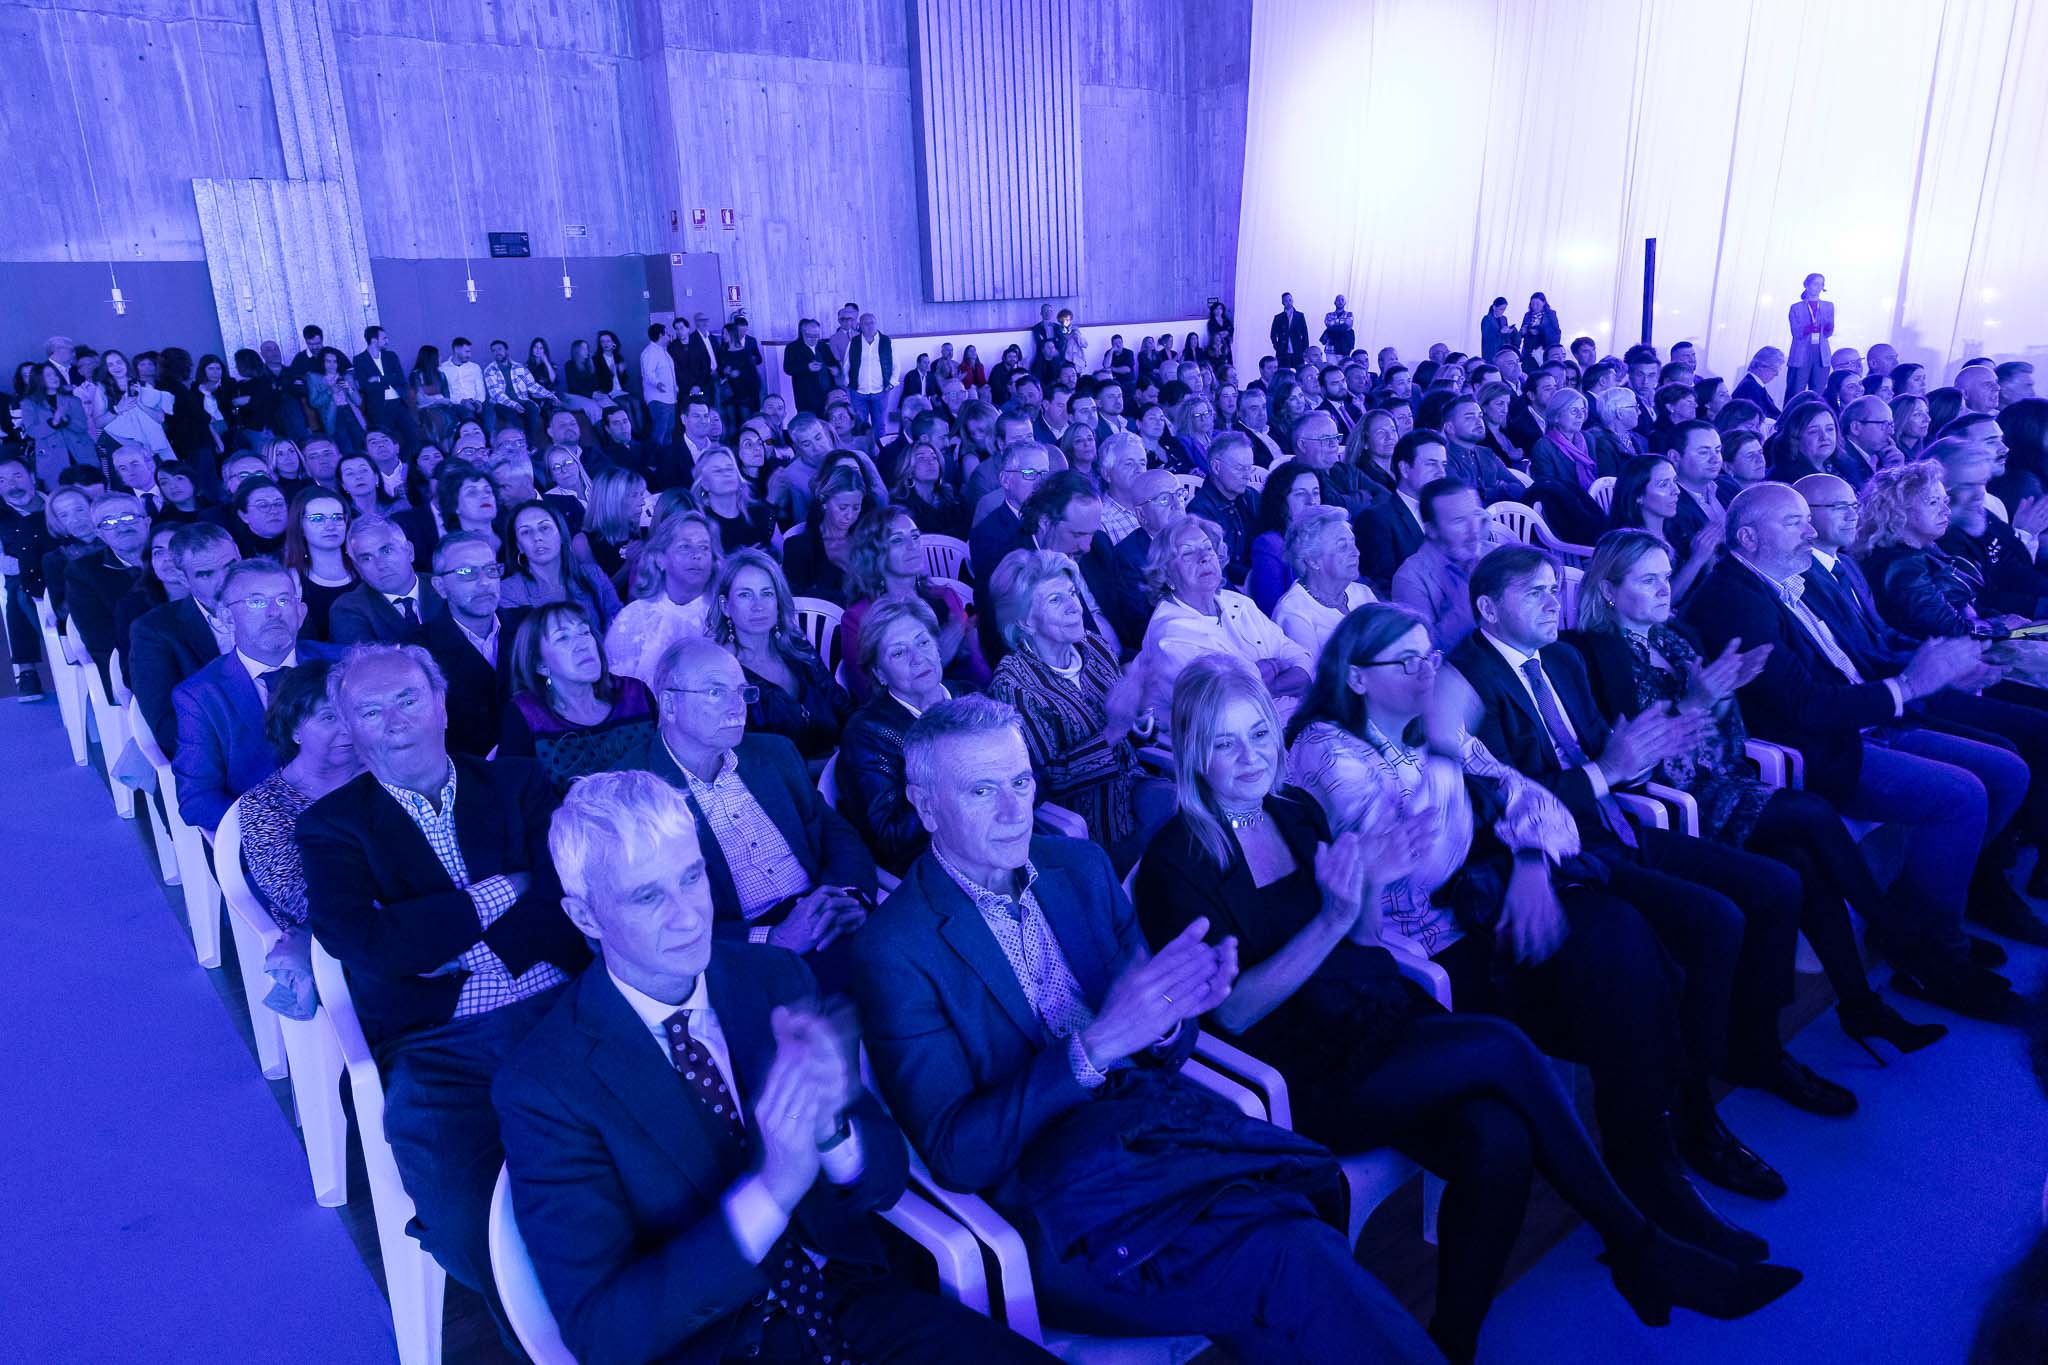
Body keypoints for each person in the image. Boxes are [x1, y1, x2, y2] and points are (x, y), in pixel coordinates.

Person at [1146, 654, 1798, 1362]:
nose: (1249, 758)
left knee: (1500, 1141)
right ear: (1191, 751)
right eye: (1224, 742)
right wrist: (1334, 918)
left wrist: (1372, 885)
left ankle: (1454, 1342)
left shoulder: (1295, 812)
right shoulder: (1174, 862)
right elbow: (1234, 1013)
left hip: (1375, 1016)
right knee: (1502, 1044)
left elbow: (1362, 941)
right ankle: (1640, 1246)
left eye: (1259, 735)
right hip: (1298, 1074)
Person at [848, 694, 1444, 1364]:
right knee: (1294, 1254)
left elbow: (1166, 1039)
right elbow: (957, 1150)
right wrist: (1096, 1045)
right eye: (983, 790)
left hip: (1158, 1137)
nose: (1016, 809)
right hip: (1058, 1205)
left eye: (1021, 781)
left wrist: (1170, 1017)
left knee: (1306, 1222)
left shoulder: (1079, 867)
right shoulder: (894, 949)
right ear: (927, 807)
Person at [490, 770, 1056, 1365]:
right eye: (648, 896)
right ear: (585, 918)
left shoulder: (773, 979)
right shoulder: (545, 1087)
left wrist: (833, 1132)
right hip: (719, 1346)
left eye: (692, 877)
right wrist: (769, 1191)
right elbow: (604, 1334)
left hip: (853, 1302)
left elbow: (885, 1179)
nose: (689, 917)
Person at [1286, 605, 1784, 1265]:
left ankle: (1657, 1160)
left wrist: (1526, 862)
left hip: (1497, 910)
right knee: (1630, 960)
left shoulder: (1428, 729)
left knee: (1637, 946)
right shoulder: (1326, 750)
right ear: (1354, 678)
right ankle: (1653, 1168)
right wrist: (1441, 751)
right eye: (1408, 662)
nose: (1430, 671)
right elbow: (1417, 868)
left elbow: (1545, 808)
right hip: (1430, 957)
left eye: (1431, 656)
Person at [1449, 546, 1820, 1198]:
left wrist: (1649, 746)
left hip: (1616, 826)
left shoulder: (1561, 659)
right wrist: (1610, 769)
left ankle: (1753, 1047)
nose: (1550, 600)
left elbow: (1611, 752)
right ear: (1486, 608)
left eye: (1549, 589)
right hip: (1558, 856)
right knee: (1714, 920)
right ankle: (1696, 1116)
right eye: (1532, 592)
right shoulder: (1469, 683)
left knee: (1776, 887)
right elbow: (1498, 807)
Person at [1569, 529, 1950, 1057]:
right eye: (1648, 580)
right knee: (1813, 813)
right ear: (1608, 591)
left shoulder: (1675, 637)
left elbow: (1726, 734)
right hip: (1672, 803)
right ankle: (1896, 934)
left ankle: (1860, 1007)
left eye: (1666, 575)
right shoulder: (1592, 656)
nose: (1664, 589)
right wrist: (1698, 699)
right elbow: (1639, 756)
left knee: (1805, 864)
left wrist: (1721, 698)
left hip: (1720, 782)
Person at [299, 642, 590, 1323]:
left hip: (565, 1010)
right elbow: (363, 942)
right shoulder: (331, 827)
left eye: (406, 699)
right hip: (438, 1043)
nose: (393, 720)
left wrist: (429, 933)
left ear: (440, 703)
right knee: (472, 1223)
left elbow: (563, 891)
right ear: (351, 728)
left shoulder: (518, 782)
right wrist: (499, 893)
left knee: (653, 1155)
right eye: (369, 710)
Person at [1684, 483, 2026, 1018]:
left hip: (1866, 719)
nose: (1813, 532)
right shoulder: (1733, 599)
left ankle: (1923, 923)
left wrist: (1941, 673)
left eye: (1808, 520)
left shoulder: (1791, 579)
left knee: (2007, 770)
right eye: (1795, 523)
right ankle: (1936, 961)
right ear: (1747, 538)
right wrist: (1910, 686)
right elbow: (1801, 707)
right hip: (1817, 748)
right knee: (1962, 797)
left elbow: (1857, 655)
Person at [623, 637, 877, 970]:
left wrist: (846, 894)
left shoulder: (775, 753)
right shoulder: (634, 794)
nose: (737, 706)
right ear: (669, 705)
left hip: (822, 909)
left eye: (742, 692)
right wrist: (772, 939)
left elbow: (832, 829)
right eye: (715, 692)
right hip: (737, 952)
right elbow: (646, 919)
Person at [985, 549, 1157, 861]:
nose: (1074, 607)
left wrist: (1141, 708)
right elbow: (1046, 781)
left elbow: (1136, 730)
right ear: (1025, 622)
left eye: (1072, 593)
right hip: (1086, 828)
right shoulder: (1014, 687)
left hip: (1138, 788)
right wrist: (1114, 730)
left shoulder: (1092, 644)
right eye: (1055, 600)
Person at [233, 658, 363, 1020]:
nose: (348, 730)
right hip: (338, 944)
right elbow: (302, 899)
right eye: (328, 718)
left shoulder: (383, 772)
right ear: (294, 729)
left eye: (352, 714)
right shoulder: (265, 807)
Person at [170, 557, 341, 832]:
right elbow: (197, 797)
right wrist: (272, 831)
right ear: (226, 617)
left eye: (284, 601)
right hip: (272, 838)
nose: (274, 612)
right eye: (256, 602)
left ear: (301, 612)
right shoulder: (200, 696)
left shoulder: (341, 664)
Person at [837, 595, 957, 876]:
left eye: (923, 642)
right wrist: (964, 790)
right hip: (935, 865)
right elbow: (891, 838)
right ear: (879, 673)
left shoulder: (968, 695)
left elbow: (1033, 774)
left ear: (937, 647)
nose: (918, 659)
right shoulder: (867, 734)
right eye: (899, 653)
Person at [1143, 514, 1312, 713]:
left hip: (1290, 718)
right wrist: (1278, 670)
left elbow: (1302, 659)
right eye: (1187, 553)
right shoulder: (1169, 636)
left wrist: (1268, 684)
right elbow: (1224, 704)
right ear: (1166, 574)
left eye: (1208, 548)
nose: (1204, 557)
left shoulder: (1238, 602)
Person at [709, 549, 851, 762]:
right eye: (745, 595)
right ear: (725, 606)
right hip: (778, 788)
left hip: (837, 772)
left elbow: (843, 709)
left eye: (767, 593)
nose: (758, 606)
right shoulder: (720, 674)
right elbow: (749, 762)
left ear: (778, 602)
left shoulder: (797, 648)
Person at [501, 600, 658, 789]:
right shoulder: (526, 715)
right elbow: (518, 795)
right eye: (562, 638)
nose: (583, 645)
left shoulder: (635, 694)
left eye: (584, 632)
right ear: (540, 665)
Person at [128, 522, 239, 754]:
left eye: (231, 566)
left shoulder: (278, 602)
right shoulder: (153, 631)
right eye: (206, 574)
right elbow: (166, 724)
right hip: (222, 751)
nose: (225, 581)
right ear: (183, 578)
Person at [605, 508, 720, 685]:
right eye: (684, 547)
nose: (697, 555)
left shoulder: (725, 613)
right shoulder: (633, 619)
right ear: (660, 559)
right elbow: (618, 691)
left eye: (704, 547)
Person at [1393, 478, 1491, 651]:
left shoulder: (1493, 555)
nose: (1473, 529)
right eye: (1459, 521)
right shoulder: (1410, 578)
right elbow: (1425, 654)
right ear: (1431, 530)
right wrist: (1466, 599)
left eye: (1475, 515)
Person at [66, 492, 152, 688]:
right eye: (109, 523)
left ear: (147, 521)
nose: (122, 527)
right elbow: (100, 637)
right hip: (135, 661)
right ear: (99, 533)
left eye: (129, 517)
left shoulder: (170, 555)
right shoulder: (83, 572)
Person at [496, 499, 622, 629]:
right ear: (519, 546)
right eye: (526, 532)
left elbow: (619, 625)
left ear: (561, 534)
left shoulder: (593, 575)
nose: (537, 537)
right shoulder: (508, 591)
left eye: (544, 528)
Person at [1274, 504, 1377, 658]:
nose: (1356, 552)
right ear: (1313, 560)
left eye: (1353, 543)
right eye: (1342, 547)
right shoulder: (1294, 613)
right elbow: (1312, 677)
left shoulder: (1362, 593)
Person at [1358, 431, 1451, 593]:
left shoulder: (1449, 512)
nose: (1441, 472)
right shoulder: (1376, 519)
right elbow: (1382, 586)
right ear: (1405, 469)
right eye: (1431, 464)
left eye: (1443, 465)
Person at [329, 517, 442, 644]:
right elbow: (368, 660)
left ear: (409, 551)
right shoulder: (348, 608)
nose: (380, 565)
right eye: (367, 558)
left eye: (387, 551)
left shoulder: (443, 586)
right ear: (358, 568)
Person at [282, 487, 355, 640]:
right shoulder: (291, 580)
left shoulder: (364, 567)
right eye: (317, 519)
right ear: (300, 526)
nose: (330, 526)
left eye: (337, 517)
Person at [1187, 431, 1260, 582]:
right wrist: (1254, 578)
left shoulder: (1251, 496)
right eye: (1240, 468)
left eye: (1249, 468)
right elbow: (1215, 566)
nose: (1247, 475)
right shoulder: (1199, 511)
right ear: (1216, 467)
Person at [1785, 275, 1834, 399]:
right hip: (1801, 353)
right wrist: (1809, 328)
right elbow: (1795, 332)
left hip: (1821, 353)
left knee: (1818, 392)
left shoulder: (1829, 306)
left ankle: (1815, 415)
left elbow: (1828, 332)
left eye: (1821, 284)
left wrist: (1827, 327)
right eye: (1815, 284)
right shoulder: (1796, 307)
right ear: (1806, 285)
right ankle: (1791, 416)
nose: (1818, 287)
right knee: (1795, 390)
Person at [1270, 291, 1310, 370]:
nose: (1288, 302)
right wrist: (1277, 346)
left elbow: (1305, 333)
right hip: (1283, 351)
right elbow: (1273, 334)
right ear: (1282, 302)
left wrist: (1305, 349)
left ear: (1292, 300)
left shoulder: (1299, 316)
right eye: (1286, 301)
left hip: (1298, 351)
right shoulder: (1278, 317)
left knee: (1300, 373)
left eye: (1290, 300)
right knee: (1283, 374)